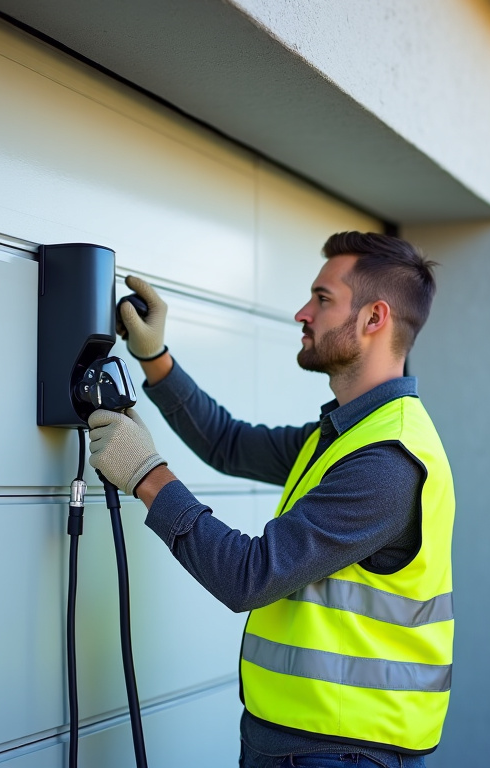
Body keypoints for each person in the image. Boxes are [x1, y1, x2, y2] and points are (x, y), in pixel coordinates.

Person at [86, 231, 455, 768]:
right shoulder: (342, 435)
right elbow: (227, 442)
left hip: (343, 753)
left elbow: (250, 576)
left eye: (323, 299)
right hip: (298, 740)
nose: (303, 313)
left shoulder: (388, 462)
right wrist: (155, 357)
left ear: (375, 319)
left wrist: (146, 475)